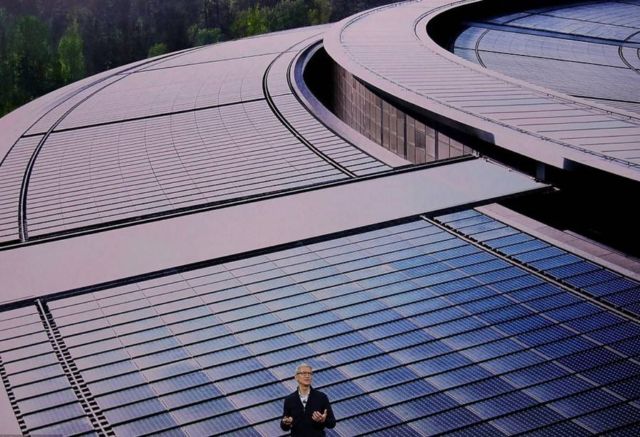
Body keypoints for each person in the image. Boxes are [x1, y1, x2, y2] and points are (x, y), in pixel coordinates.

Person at [280, 363, 336, 436]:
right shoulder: (289, 399)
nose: (307, 376)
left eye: (310, 373)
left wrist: (323, 420)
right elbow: (284, 427)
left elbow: (332, 423)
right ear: (296, 377)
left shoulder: (321, 397)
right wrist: (285, 423)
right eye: (304, 373)